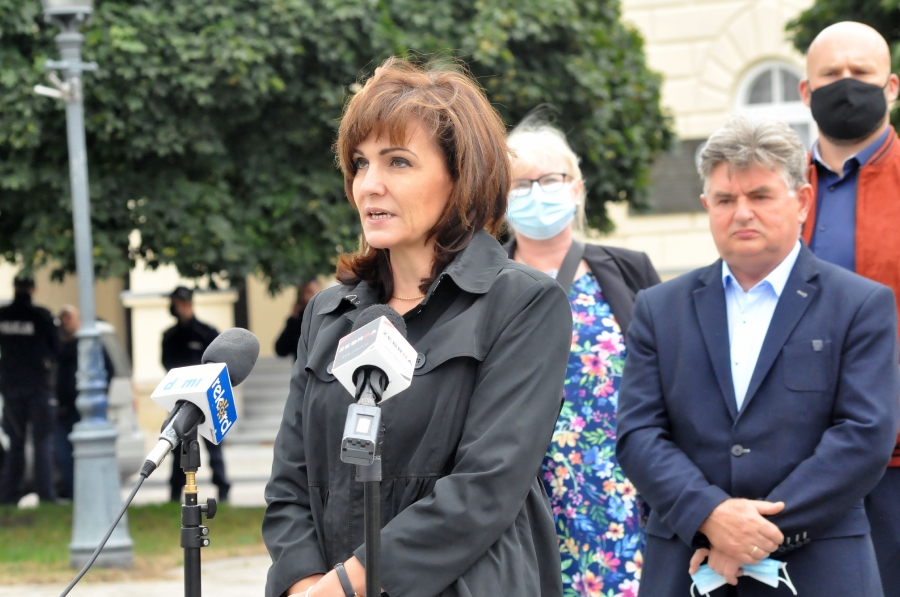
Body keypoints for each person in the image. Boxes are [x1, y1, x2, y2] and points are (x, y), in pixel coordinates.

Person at [262, 57, 572, 597]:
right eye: (360, 164)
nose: (369, 185)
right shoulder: (328, 312)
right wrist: (305, 583)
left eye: (398, 162)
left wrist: (347, 586)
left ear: (461, 176)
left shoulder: (524, 304)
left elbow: (484, 489)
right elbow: (289, 485)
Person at [616, 116, 900, 596]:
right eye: (726, 200)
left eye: (761, 196)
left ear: (803, 201)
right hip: (687, 567)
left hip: (819, 568)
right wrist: (709, 515)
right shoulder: (658, 309)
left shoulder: (860, 304)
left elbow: (865, 435)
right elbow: (638, 433)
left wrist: (750, 535)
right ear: (707, 206)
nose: (742, 213)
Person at [504, 116, 660, 596]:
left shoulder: (628, 270)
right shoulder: (484, 283)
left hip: (623, 495)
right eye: (520, 184)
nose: (536, 193)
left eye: (550, 179)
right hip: (524, 499)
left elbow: (671, 377)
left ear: (576, 189)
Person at [798, 22, 900, 596]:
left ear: (891, 87)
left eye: (860, 73)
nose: (846, 85)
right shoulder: (777, 192)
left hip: (895, 460)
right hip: (797, 459)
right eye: (830, 75)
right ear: (805, 91)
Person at [162, 285, 231, 502]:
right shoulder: (170, 336)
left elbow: (218, 362)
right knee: (178, 446)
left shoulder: (206, 332)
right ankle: (175, 493)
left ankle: (223, 489)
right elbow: (167, 363)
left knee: (213, 444)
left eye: (178, 303)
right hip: (182, 398)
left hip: (206, 397)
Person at [0, 276, 59, 504]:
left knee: (15, 442)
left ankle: (9, 495)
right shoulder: (41, 316)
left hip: (10, 388)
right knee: (42, 441)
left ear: (14, 288)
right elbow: (56, 348)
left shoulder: (3, 315)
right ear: (33, 289)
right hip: (38, 388)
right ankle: (45, 494)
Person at [54, 305, 113, 500]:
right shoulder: (57, 346)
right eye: (62, 318)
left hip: (85, 411)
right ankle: (74, 495)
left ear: (78, 320)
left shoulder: (89, 345)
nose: (65, 322)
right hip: (62, 411)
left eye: (68, 318)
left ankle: (89, 496)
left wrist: (100, 398)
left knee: (88, 454)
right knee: (64, 456)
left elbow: (109, 370)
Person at [274, 280, 323, 361]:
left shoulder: (328, 317)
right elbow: (281, 350)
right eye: (303, 293)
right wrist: (294, 317)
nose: (306, 297)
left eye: (310, 292)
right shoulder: (298, 320)